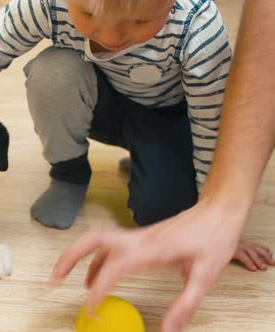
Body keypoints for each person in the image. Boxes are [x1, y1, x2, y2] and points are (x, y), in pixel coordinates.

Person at [52, 1, 275, 331]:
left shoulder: (196, 26)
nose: (111, 37)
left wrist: (219, 208)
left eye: (140, 20)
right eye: (86, 15)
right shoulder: (45, 7)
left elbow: (209, 121)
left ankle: (155, 157)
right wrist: (223, 208)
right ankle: (89, 170)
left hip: (177, 117)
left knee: (161, 209)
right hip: (121, 106)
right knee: (51, 71)